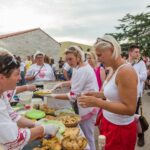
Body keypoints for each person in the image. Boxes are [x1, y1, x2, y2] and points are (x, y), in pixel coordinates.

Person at [78, 35, 138, 150]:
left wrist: (97, 102)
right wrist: (96, 94)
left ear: (112, 49)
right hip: (110, 124)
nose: (98, 59)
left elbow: (130, 109)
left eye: (100, 55)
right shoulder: (114, 69)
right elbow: (114, 95)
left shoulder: (125, 71)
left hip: (120, 130)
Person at [0, 48, 58, 150]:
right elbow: (14, 139)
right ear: (2, 77)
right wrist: (43, 129)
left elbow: (13, 116)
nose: (20, 78)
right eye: (16, 74)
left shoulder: (2, 93)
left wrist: (35, 123)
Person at [49, 45, 99, 150]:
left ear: (78, 57)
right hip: (86, 105)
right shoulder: (78, 67)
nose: (69, 62)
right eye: (67, 60)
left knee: (88, 138)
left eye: (70, 59)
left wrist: (53, 95)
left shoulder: (82, 70)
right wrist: (61, 84)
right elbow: (73, 81)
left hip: (88, 107)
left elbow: (73, 96)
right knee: (86, 136)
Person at [128, 45, 147, 146]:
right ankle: (129, 134)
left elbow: (144, 76)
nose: (138, 53)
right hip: (126, 93)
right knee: (127, 116)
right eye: (135, 52)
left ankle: (141, 136)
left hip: (136, 94)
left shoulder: (141, 63)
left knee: (136, 116)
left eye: (138, 52)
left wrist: (133, 75)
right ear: (130, 53)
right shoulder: (126, 63)